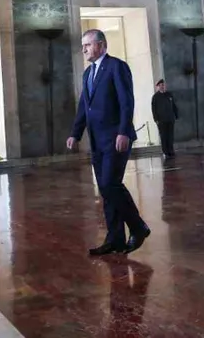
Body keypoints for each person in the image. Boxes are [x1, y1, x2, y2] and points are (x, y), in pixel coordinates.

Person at [67, 29, 150, 255]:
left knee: (110, 184)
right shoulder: (87, 74)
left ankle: (138, 227)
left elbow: (126, 102)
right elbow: (84, 106)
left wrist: (123, 131)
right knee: (105, 188)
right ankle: (115, 239)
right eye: (82, 45)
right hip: (97, 140)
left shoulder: (116, 66)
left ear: (101, 45)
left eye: (87, 45)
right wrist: (76, 133)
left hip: (115, 138)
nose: (83, 49)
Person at [150, 79, 179, 159]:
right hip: (161, 120)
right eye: (160, 85)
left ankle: (171, 151)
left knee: (170, 136)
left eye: (163, 85)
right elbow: (153, 109)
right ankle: (165, 151)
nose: (162, 87)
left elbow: (173, 105)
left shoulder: (169, 94)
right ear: (158, 87)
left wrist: (176, 115)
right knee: (163, 136)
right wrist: (156, 119)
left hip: (170, 119)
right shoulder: (155, 97)